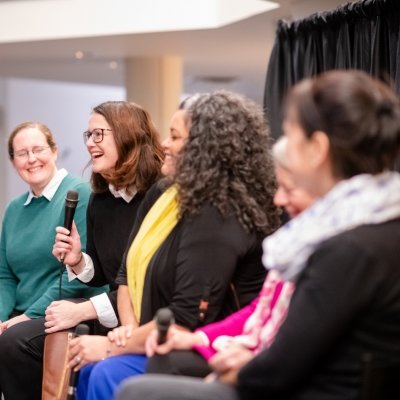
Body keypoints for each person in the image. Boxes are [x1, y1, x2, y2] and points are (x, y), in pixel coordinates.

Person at [116, 70, 400, 400]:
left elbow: (284, 363)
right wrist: (204, 341)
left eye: (290, 137)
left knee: (139, 392)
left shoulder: (347, 247)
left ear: (316, 149)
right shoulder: (365, 226)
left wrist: (235, 372)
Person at [68, 90, 281, 400]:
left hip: (203, 345)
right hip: (151, 333)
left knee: (104, 371)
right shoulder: (162, 193)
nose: (164, 144)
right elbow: (125, 274)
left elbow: (187, 317)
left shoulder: (219, 211)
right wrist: (127, 332)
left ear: (204, 149)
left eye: (175, 136)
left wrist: (113, 345)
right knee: (88, 369)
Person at [139, 137, 315, 377]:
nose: (279, 200)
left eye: (289, 189)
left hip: (272, 370)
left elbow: (302, 346)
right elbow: (260, 309)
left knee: (141, 379)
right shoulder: (297, 241)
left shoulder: (329, 248)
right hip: (254, 354)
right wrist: (198, 339)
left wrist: (248, 367)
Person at [0, 122, 106, 399]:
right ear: (13, 162)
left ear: (55, 151)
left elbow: (79, 274)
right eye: (22, 153)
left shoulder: (79, 194)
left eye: (38, 149)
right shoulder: (14, 209)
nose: (32, 159)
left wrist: (26, 316)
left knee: (12, 341)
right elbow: (5, 275)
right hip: (23, 313)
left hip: (65, 308)